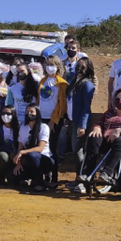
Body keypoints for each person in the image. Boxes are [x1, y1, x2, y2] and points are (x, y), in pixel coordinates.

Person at [77, 88, 121, 193]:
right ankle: (87, 173)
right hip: (106, 140)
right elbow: (99, 122)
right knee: (93, 138)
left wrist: (120, 129)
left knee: (120, 141)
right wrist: (97, 127)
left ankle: (107, 173)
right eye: (117, 99)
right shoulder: (109, 113)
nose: (120, 101)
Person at [59, 57, 95, 188]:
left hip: (80, 123)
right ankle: (78, 179)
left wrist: (82, 126)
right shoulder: (74, 82)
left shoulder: (87, 85)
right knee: (75, 151)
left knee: (79, 151)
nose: (79, 69)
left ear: (88, 69)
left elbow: (86, 108)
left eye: (83, 67)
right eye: (78, 66)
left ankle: (81, 180)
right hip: (72, 121)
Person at [37, 55, 68, 185]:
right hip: (41, 118)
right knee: (41, 146)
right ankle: (44, 175)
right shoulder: (42, 81)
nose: (50, 67)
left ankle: (54, 177)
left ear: (58, 66)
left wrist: (53, 120)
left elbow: (62, 104)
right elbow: (38, 99)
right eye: (48, 64)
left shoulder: (61, 83)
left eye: (52, 64)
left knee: (52, 148)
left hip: (53, 120)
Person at [12, 104, 54, 192]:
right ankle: (30, 178)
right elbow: (20, 147)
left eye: (32, 112)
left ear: (37, 113)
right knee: (15, 178)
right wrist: (18, 163)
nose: (29, 114)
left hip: (44, 159)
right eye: (27, 112)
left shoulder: (44, 127)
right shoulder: (23, 128)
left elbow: (40, 148)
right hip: (28, 158)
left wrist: (22, 152)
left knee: (32, 156)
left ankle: (40, 182)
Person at [0, 105, 19, 186]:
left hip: (15, 156)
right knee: (3, 156)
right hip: (2, 154)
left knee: (13, 181)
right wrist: (9, 152)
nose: (6, 116)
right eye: (3, 113)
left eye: (9, 114)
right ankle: (1, 176)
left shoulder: (18, 127)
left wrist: (16, 154)